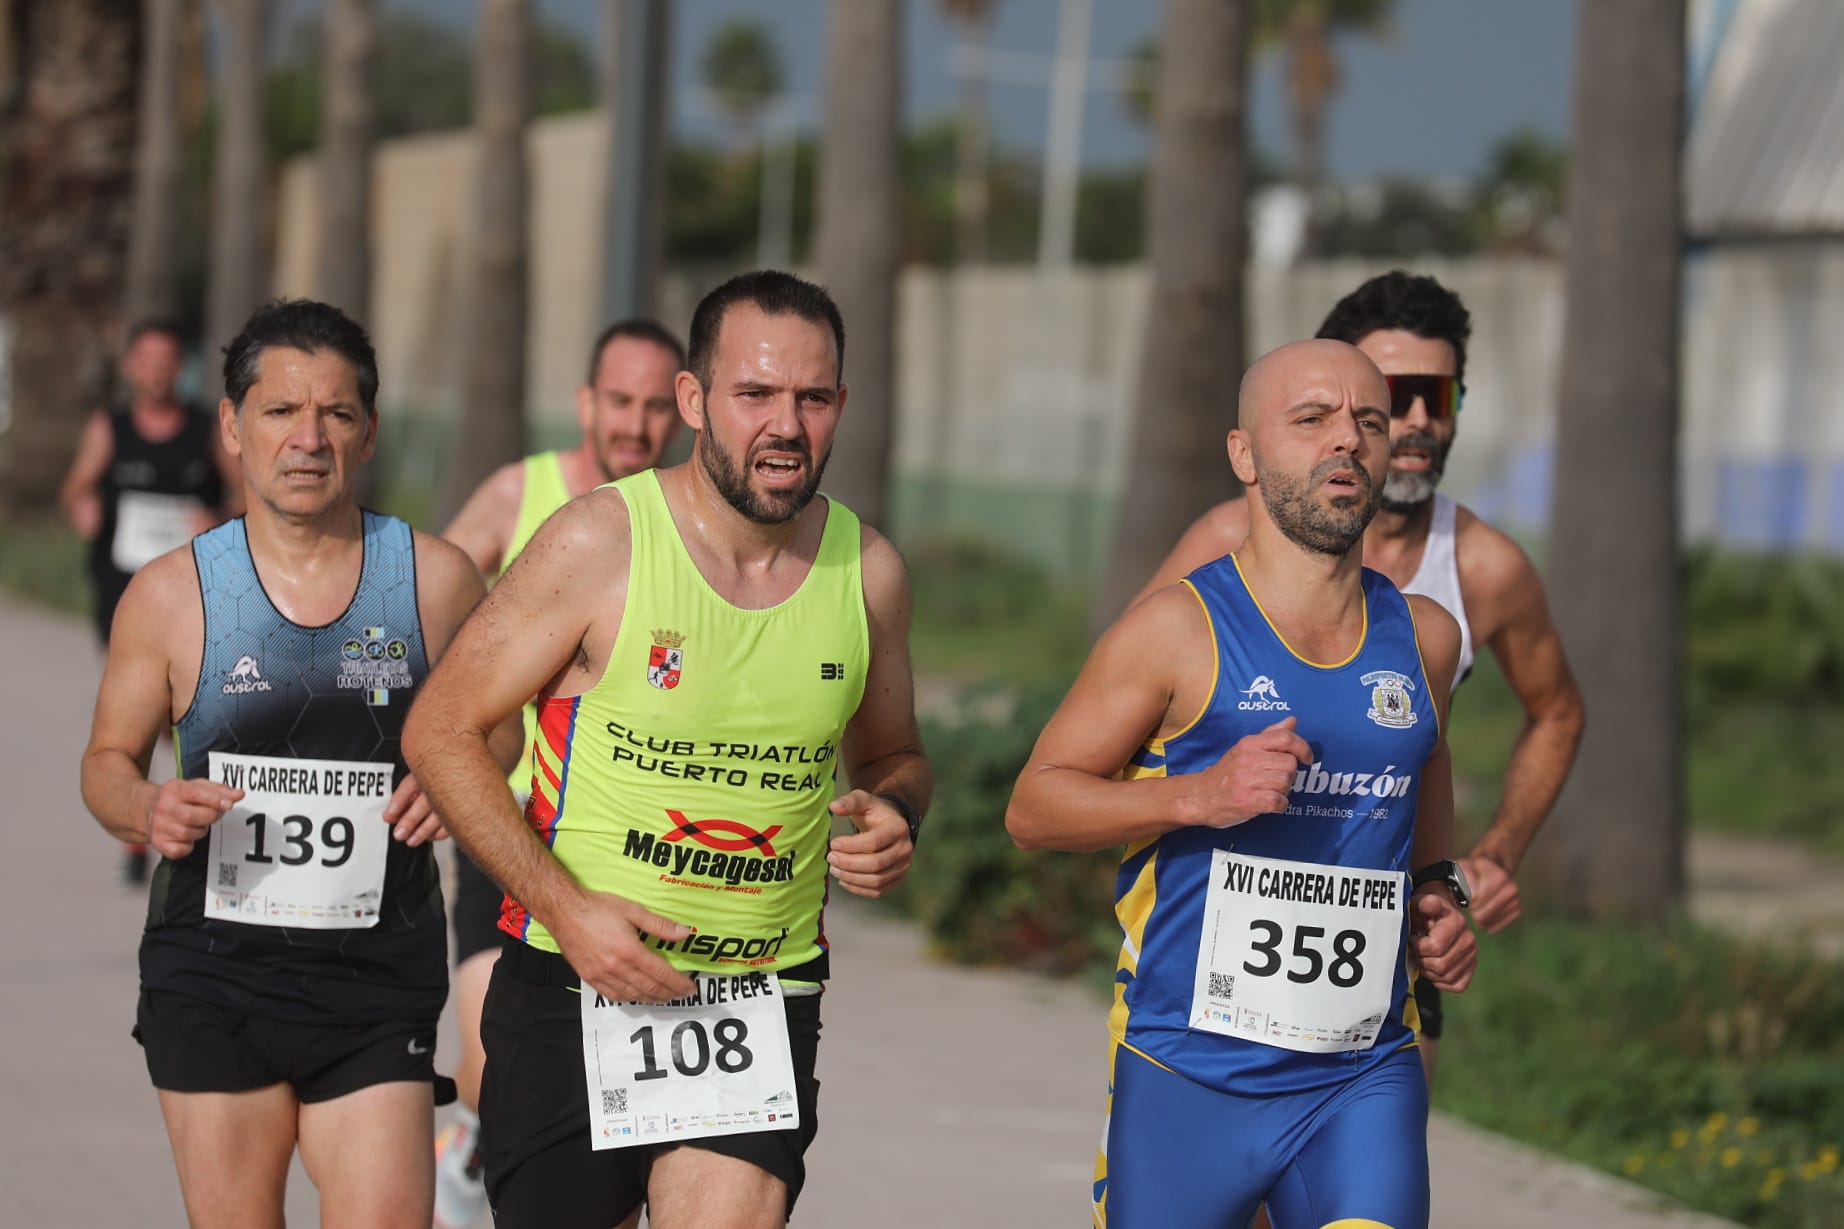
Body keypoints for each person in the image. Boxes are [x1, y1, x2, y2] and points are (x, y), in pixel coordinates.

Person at [403, 269, 931, 1229]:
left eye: (813, 398)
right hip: (571, 986)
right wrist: (569, 910)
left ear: (842, 406)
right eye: (755, 394)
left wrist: (898, 812)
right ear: (694, 400)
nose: (786, 424)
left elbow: (895, 753)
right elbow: (440, 728)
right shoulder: (599, 543)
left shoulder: (869, 573)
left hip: (757, 999)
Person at [1008, 339, 1478, 1229]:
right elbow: (1033, 805)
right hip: (1189, 1070)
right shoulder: (1177, 629)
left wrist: (1433, 888)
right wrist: (1194, 795)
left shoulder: (1425, 636)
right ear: (1245, 455)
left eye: (1367, 422)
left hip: (1360, 1071)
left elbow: (1429, 756)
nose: (1347, 441)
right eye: (1311, 420)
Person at [78, 299, 519, 1229]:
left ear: (367, 434)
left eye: (337, 414)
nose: (308, 438)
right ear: (232, 427)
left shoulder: (434, 580)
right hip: (212, 975)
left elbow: (505, 729)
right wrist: (146, 807)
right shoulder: (169, 595)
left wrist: (456, 780)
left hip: (376, 981)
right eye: (281, 411)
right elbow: (106, 761)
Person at [1137, 271, 1583, 1083]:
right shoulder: (1224, 541)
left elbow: (1556, 711)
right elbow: (1111, 729)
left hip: (1385, 970)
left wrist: (1492, 856)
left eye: (1436, 394)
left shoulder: (1482, 567)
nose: (1416, 420)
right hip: (1208, 966)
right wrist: (1197, 802)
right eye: (1394, 394)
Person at [432, 317, 685, 1229]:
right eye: (620, 401)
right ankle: (474, 1137)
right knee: (487, 1055)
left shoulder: (688, 521)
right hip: (513, 825)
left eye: (658, 405)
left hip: (632, 852)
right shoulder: (521, 492)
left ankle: (493, 1146)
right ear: (586, 403)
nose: (637, 423)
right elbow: (430, 603)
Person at [60, 319, 242, 883]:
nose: (158, 371)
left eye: (168, 360)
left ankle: (184, 815)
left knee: (176, 717)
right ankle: (144, 829)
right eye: (147, 359)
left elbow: (241, 491)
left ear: (179, 368)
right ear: (130, 367)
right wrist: (82, 508)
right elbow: (76, 488)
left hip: (193, 595)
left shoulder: (202, 428)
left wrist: (218, 522)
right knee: (135, 717)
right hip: (122, 595)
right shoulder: (110, 428)